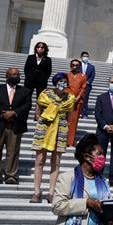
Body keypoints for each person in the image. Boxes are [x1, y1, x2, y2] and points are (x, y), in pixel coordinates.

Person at [32, 73, 76, 204]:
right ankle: (36, 191)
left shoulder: (70, 98)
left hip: (60, 128)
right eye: (60, 81)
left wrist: (63, 125)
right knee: (40, 160)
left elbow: (69, 116)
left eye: (65, 81)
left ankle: (51, 191)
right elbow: (38, 111)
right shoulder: (45, 94)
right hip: (45, 127)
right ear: (55, 82)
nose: (62, 83)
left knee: (55, 162)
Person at [0, 68, 31, 185]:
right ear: (7, 76)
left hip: (15, 126)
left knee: (13, 151)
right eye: (13, 74)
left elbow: (27, 105)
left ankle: (11, 175)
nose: (15, 76)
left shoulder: (25, 91)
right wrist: (2, 113)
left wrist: (14, 112)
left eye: (17, 75)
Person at [23, 42, 52, 118]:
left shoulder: (48, 59)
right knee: (27, 97)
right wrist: (29, 77)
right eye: (38, 47)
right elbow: (26, 69)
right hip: (30, 81)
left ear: (45, 49)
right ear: (36, 48)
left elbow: (48, 71)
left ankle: (37, 115)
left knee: (40, 99)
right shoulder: (30, 57)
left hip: (41, 82)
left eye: (42, 47)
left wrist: (43, 79)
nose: (40, 49)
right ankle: (24, 113)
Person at [65, 58, 88, 149]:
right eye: (73, 65)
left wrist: (77, 98)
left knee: (74, 122)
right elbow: (65, 87)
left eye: (77, 65)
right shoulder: (66, 75)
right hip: (66, 101)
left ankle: (70, 141)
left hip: (77, 102)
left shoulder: (83, 76)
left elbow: (83, 88)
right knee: (66, 121)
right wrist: (69, 98)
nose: (75, 67)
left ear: (79, 67)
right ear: (70, 66)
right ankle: (63, 139)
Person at [79, 52, 96, 118]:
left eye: (87, 56)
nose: (85, 57)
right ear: (81, 57)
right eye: (84, 56)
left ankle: (84, 113)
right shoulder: (78, 65)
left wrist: (88, 82)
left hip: (87, 86)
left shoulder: (91, 66)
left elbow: (93, 75)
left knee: (85, 100)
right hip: (78, 85)